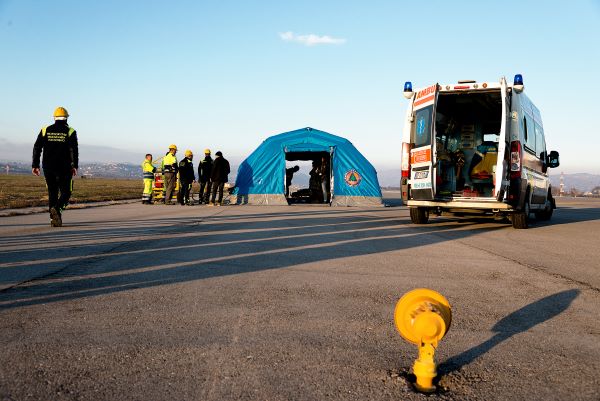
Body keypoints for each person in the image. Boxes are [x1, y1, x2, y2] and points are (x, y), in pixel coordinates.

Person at [31, 106, 79, 227]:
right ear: (66, 119)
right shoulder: (71, 131)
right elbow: (74, 150)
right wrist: (75, 165)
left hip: (48, 167)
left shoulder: (45, 130)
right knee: (66, 192)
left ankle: (53, 219)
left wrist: (35, 165)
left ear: (54, 118)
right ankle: (57, 210)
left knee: (52, 192)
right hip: (64, 167)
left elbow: (37, 148)